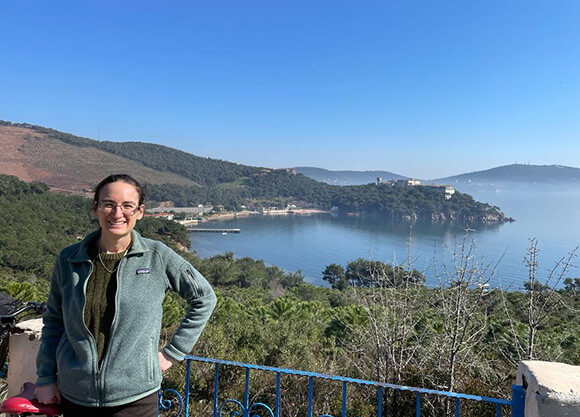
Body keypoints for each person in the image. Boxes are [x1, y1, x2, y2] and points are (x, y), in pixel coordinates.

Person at [34, 174, 217, 416]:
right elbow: (54, 320)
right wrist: (46, 377)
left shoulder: (157, 256)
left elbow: (204, 297)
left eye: (127, 206)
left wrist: (172, 352)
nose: (117, 213)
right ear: (96, 209)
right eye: (108, 204)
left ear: (140, 212)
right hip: (76, 395)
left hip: (136, 399)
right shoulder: (69, 259)